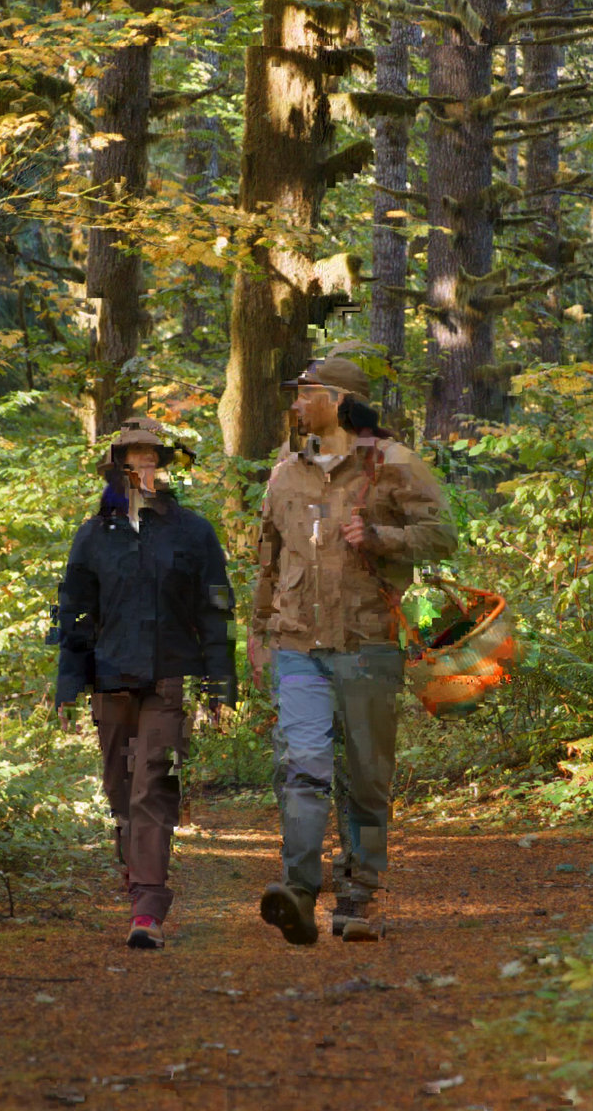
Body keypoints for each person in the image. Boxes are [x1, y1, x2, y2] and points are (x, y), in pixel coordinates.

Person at [250, 357, 457, 945]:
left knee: (366, 776)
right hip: (296, 646)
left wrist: (383, 535)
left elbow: (444, 534)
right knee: (301, 767)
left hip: (369, 645)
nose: (295, 404)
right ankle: (298, 890)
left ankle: (358, 896)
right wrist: (258, 631)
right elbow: (268, 557)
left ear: (339, 400)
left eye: (305, 393)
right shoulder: (284, 473)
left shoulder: (395, 465)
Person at [55, 417, 236, 950]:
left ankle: (148, 908)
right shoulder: (92, 536)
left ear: (164, 465)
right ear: (115, 467)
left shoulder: (194, 531)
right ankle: (136, 878)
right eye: (131, 459)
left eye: (151, 457)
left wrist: (221, 684)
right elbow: (74, 614)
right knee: (119, 793)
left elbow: (216, 611)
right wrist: (68, 683)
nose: (142, 467)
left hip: (170, 680)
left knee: (152, 787)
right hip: (110, 681)